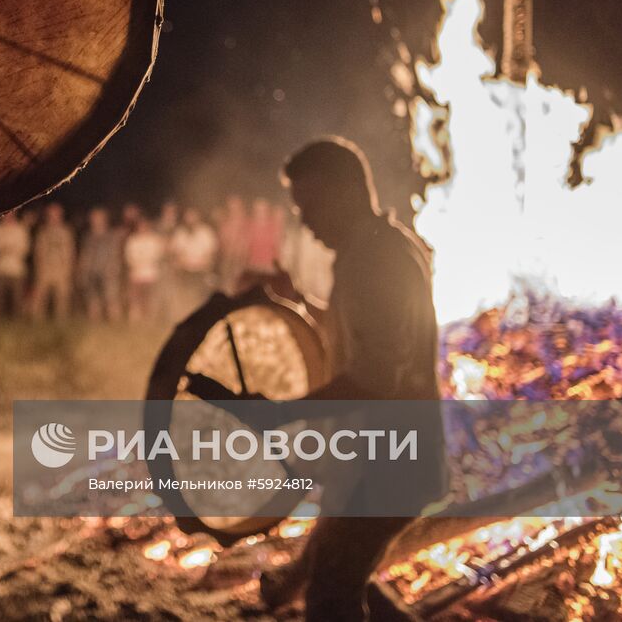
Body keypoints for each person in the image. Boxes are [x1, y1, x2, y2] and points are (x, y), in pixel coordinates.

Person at [191, 138, 441, 621]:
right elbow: (364, 331)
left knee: (330, 596)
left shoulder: (376, 260)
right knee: (339, 574)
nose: (303, 220)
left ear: (345, 191)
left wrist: (278, 412)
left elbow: (375, 380)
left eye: (309, 204)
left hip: (391, 461)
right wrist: (301, 300)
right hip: (379, 456)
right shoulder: (376, 247)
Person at [27, 203, 76, 320]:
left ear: (61, 215)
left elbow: (71, 251)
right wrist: (39, 267)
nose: (54, 216)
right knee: (40, 298)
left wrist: (69, 269)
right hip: (45, 269)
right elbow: (38, 251)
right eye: (51, 214)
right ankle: (37, 322)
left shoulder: (66, 231)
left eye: (56, 213)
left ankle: (61, 321)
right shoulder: (43, 232)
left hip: (61, 269)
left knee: (62, 298)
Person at [168, 207, 218, 317]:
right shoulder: (180, 233)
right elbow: (175, 251)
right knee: (186, 293)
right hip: (185, 270)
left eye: (193, 216)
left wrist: (208, 266)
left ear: (198, 217)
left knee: (201, 294)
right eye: (188, 217)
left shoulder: (206, 232)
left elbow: (211, 252)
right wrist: (177, 263)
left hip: (201, 269)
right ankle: (186, 313)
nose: (190, 219)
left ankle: (202, 315)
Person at [76, 207, 122, 321]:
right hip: (91, 271)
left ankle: (116, 325)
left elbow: (116, 253)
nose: (95, 220)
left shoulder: (111, 236)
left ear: (104, 219)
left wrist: (114, 268)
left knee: (111, 298)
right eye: (93, 218)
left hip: (108, 272)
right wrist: (82, 269)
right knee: (93, 299)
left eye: (98, 218)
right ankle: (95, 324)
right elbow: (84, 254)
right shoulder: (88, 236)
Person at [0, 211, 30, 318]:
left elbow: (25, 248)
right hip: (0, 269)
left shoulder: (20, 229)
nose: (8, 216)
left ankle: (16, 322)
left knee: (16, 299)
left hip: (16, 270)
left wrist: (9, 248)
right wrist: (4, 248)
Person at [123, 217, 167, 322]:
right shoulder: (133, 240)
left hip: (150, 273)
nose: (142, 228)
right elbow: (128, 256)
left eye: (144, 226)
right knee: (136, 296)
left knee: (149, 297)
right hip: (136, 273)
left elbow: (158, 254)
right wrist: (136, 263)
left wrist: (148, 260)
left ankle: (149, 318)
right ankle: (135, 317)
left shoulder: (154, 239)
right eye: (140, 226)